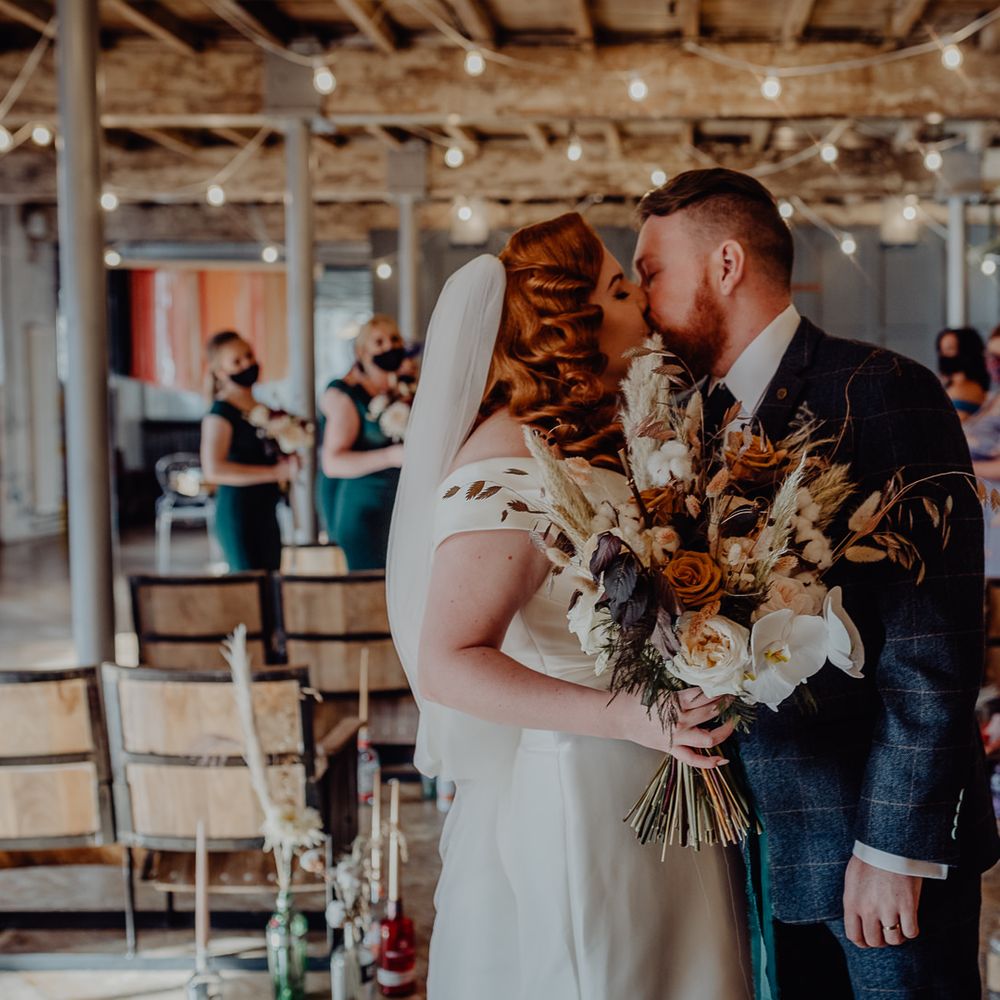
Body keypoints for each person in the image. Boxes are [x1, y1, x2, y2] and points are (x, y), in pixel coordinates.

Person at [634, 167, 999, 999]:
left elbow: (933, 647)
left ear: (725, 264)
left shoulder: (881, 391)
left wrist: (891, 848)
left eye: (652, 272)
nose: (641, 296)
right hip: (758, 851)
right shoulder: (690, 422)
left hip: (877, 860)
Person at [387, 215, 752, 1000]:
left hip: (650, 766)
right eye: (620, 290)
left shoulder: (582, 445)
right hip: (583, 786)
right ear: (571, 322)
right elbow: (447, 663)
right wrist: (624, 716)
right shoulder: (504, 466)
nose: (645, 306)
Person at [200, 330, 297, 572]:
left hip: (266, 509)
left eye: (249, 356)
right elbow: (213, 471)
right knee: (249, 585)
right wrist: (276, 473)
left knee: (272, 579)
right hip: (239, 512)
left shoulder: (264, 409)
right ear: (221, 372)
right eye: (237, 361)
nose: (247, 364)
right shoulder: (220, 414)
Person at [318, 315, 406, 570]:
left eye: (394, 339)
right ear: (361, 351)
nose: (389, 347)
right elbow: (333, 462)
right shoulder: (346, 396)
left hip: (397, 502)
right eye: (378, 342)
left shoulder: (400, 390)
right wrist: (391, 456)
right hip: (364, 505)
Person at [964, 325, 1000, 577]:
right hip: (985, 512)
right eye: (991, 356)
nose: (994, 364)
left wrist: (956, 465)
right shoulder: (992, 397)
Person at [936, 326, 988, 420]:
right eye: (941, 350)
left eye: (950, 349)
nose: (943, 355)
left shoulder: (969, 388)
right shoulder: (948, 385)